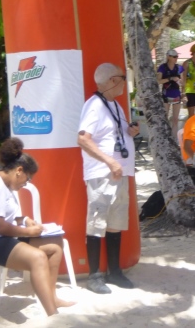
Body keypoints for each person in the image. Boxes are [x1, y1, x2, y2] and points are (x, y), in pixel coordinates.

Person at [0, 138, 74, 316]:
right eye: (27, 179)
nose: (25, 184)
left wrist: (24, 219)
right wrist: (29, 232)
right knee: (37, 258)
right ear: (19, 171)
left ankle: (52, 298)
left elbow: (2, 216)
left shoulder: (3, 184)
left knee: (54, 247)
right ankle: (53, 314)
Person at [77, 63, 140, 294]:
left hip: (119, 173)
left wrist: (130, 132)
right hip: (102, 174)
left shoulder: (115, 105)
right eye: (122, 78)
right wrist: (109, 162)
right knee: (97, 224)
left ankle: (114, 271)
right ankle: (94, 276)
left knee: (116, 224)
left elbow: (114, 134)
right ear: (113, 80)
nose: (125, 82)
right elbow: (83, 139)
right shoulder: (94, 105)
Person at [156, 49, 184, 136]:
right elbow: (158, 81)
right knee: (165, 118)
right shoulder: (162, 67)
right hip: (166, 94)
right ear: (169, 57)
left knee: (175, 119)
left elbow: (183, 82)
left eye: (177, 56)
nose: (176, 58)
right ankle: (165, 136)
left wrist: (180, 82)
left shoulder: (179, 68)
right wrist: (170, 78)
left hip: (176, 94)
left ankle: (174, 138)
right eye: (174, 57)